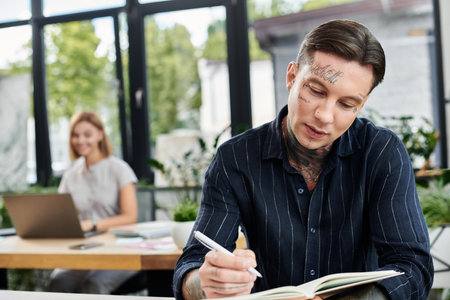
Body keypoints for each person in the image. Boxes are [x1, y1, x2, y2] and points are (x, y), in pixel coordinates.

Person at [173, 19, 434, 300]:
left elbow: (413, 267)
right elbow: (191, 266)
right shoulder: (235, 158)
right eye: (316, 90)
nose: (324, 115)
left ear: (362, 105)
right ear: (292, 77)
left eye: (346, 104)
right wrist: (207, 283)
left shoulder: (381, 153)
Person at [47, 111, 139, 294]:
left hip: (121, 251)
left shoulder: (120, 169)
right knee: (58, 282)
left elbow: (131, 217)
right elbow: (61, 216)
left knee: (92, 286)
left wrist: (93, 224)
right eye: (75, 135)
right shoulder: (70, 176)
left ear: (100, 135)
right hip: (86, 250)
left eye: (87, 135)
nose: (80, 140)